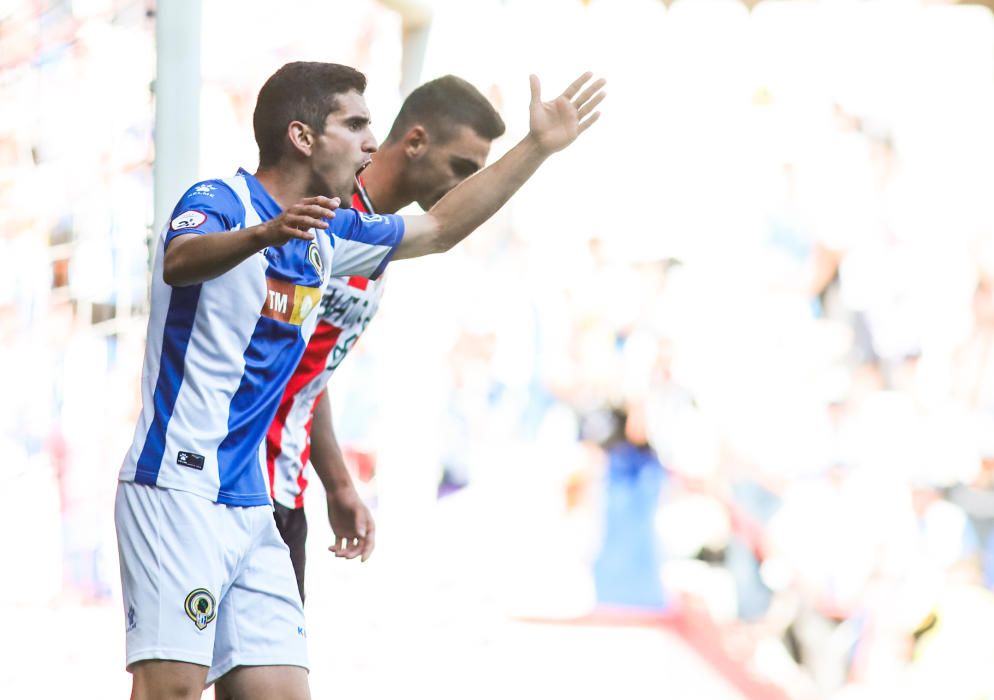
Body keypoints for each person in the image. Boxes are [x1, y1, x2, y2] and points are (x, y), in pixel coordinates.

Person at [115, 60, 605, 700]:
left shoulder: (330, 233)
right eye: (355, 123)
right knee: (171, 688)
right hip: (178, 481)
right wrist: (262, 233)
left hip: (251, 496)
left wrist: (537, 147)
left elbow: (441, 229)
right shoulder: (218, 200)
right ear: (302, 136)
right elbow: (178, 262)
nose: (373, 142)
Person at [267, 75, 506, 600]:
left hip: (285, 485)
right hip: (236, 483)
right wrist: (539, 147)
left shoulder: (378, 238)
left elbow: (307, 364)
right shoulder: (327, 215)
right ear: (415, 141)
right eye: (462, 168)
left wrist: (336, 481)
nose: (464, 187)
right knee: (175, 681)